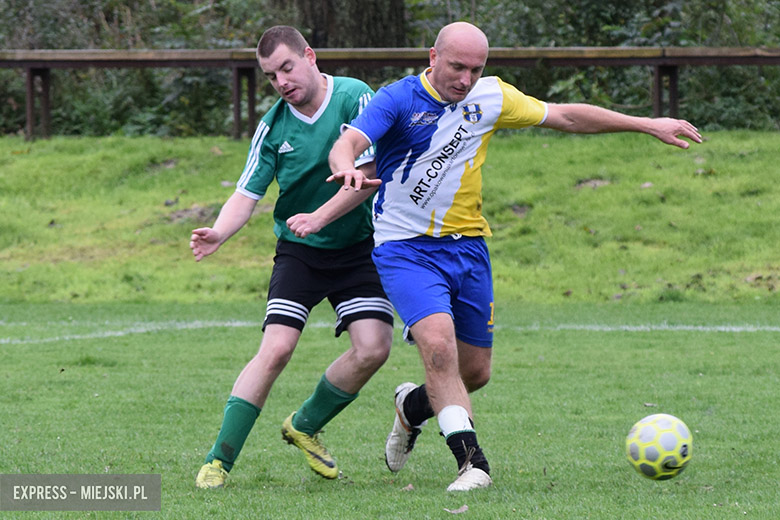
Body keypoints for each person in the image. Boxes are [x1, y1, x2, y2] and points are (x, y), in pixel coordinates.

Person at [324, 21, 702, 492]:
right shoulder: (398, 99)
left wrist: (647, 124)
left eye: (475, 68)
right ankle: (473, 464)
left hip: (469, 249)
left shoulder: (491, 97)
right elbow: (349, 144)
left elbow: (565, 116)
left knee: (473, 373)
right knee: (439, 349)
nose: (465, 79)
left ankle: (412, 407)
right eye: (457, 66)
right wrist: (346, 172)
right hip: (405, 249)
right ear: (432, 57)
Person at [191, 25, 394, 489]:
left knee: (374, 348)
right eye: (270, 75)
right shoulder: (273, 126)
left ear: (310, 56)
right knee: (277, 348)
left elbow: (369, 171)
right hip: (300, 252)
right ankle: (218, 461)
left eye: (286, 67)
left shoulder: (353, 98)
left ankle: (303, 424)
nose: (281, 81)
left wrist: (321, 216)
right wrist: (219, 232)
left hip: (358, 248)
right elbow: (247, 193)